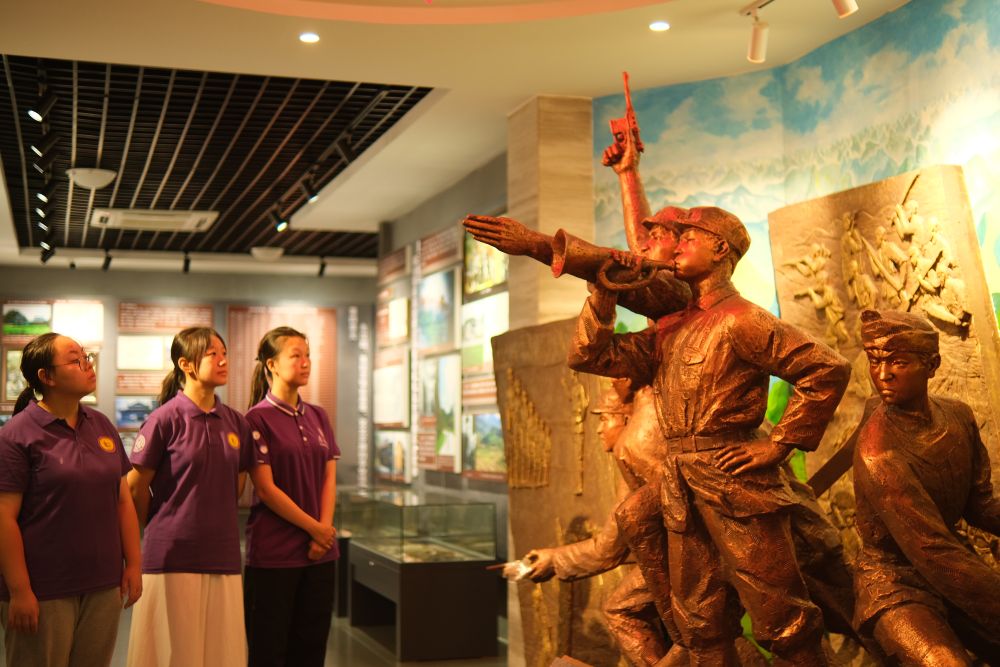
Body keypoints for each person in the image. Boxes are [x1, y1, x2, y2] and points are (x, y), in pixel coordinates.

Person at [568, 205, 851, 666]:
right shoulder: (670, 329)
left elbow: (825, 369)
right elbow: (590, 356)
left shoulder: (742, 318)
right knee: (701, 627)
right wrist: (603, 291)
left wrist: (779, 445)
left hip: (734, 484)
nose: (675, 246)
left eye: (688, 238)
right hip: (681, 485)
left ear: (720, 249)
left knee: (784, 621)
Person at [853, 309, 1000, 665]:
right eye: (875, 361)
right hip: (895, 584)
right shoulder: (878, 450)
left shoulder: (958, 416)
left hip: (950, 570)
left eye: (898, 362)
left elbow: (980, 505)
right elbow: (932, 551)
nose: (883, 375)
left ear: (932, 365)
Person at [0, 333, 141, 667]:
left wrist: (134, 564)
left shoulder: (101, 425)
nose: (87, 365)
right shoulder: (18, 434)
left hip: (103, 585)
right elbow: (4, 517)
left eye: (86, 357)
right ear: (46, 376)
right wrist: (20, 591)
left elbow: (122, 500)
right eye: (75, 360)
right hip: (44, 589)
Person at [125, 327, 253, 667]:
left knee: (222, 654)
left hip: (223, 554)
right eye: (212, 354)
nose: (223, 360)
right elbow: (135, 487)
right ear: (185, 364)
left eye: (224, 353)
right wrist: (159, 527)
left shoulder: (236, 423)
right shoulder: (164, 419)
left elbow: (237, 483)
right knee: (172, 655)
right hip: (171, 555)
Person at [522, 385, 673, 667]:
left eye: (605, 419)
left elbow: (608, 549)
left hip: (687, 559)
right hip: (678, 557)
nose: (599, 429)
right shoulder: (637, 456)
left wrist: (553, 560)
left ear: (626, 420)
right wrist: (553, 559)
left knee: (620, 609)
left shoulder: (634, 451)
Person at [243, 327, 339, 667]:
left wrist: (323, 533)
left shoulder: (318, 415)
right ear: (271, 364)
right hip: (274, 555)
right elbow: (266, 489)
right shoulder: (256, 418)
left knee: (311, 651)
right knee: (269, 652)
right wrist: (316, 529)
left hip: (320, 555)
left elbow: (329, 477)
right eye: (295, 356)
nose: (305, 362)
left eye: (307, 355)